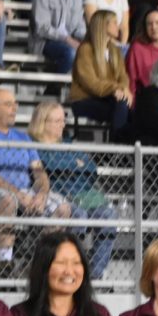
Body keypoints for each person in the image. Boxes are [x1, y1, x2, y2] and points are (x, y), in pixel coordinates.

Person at [0, 87, 75, 276]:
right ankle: (6, 262)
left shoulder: (22, 137)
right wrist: (19, 195)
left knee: (62, 208)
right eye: (8, 104)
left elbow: (39, 172)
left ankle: (40, 264)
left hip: (24, 193)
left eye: (16, 104)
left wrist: (42, 194)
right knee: (8, 200)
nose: (15, 108)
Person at [28, 101, 116, 279]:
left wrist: (67, 168)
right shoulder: (33, 146)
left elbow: (91, 169)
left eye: (64, 119)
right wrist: (74, 165)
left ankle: (94, 275)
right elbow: (49, 167)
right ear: (44, 122)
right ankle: (70, 268)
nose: (64, 124)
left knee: (108, 215)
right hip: (59, 195)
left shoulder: (68, 143)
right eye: (58, 120)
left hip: (86, 195)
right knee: (79, 217)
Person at [69, 10, 130, 132]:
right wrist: (115, 89)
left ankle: (118, 147)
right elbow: (90, 82)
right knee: (121, 109)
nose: (118, 26)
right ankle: (115, 148)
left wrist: (123, 89)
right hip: (84, 100)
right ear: (103, 25)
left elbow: (123, 77)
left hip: (107, 98)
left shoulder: (115, 50)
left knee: (130, 109)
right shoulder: (85, 49)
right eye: (114, 22)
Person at [28, 0, 85, 74]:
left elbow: (80, 27)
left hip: (70, 40)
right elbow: (42, 28)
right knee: (70, 52)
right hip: (45, 42)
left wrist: (89, 39)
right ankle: (53, 88)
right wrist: (66, 39)